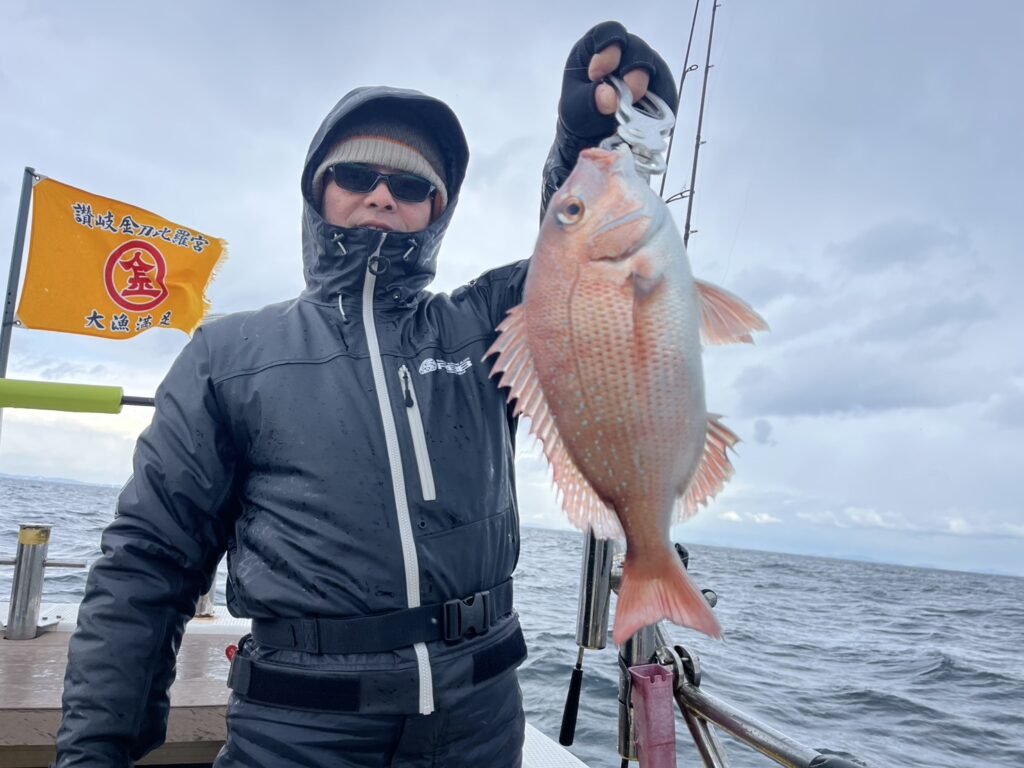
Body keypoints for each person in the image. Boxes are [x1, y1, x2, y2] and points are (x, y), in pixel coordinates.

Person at [55, 21, 678, 768]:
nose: (382, 195)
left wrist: (592, 150)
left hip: (481, 727)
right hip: (297, 735)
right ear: (318, 190)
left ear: (437, 209)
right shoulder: (228, 355)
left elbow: (584, 265)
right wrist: (95, 751)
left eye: (411, 185)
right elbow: (148, 566)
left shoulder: (481, 326)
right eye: (357, 176)